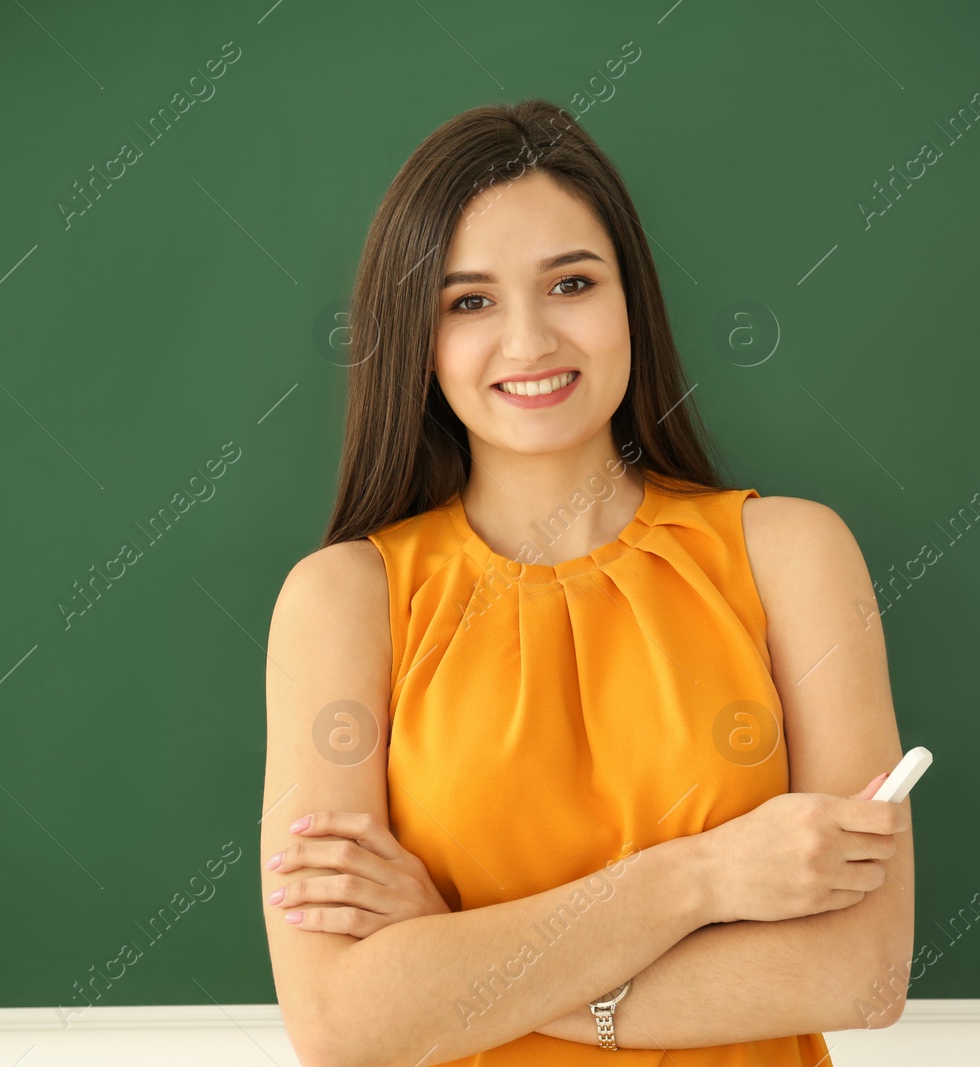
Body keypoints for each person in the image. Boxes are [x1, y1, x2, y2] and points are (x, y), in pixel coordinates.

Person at [259, 98, 913, 1066]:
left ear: (630, 300)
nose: (527, 342)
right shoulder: (341, 600)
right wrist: (701, 877)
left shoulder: (793, 555)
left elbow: (859, 974)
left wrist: (452, 947)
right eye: (468, 300)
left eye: (570, 282)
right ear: (418, 336)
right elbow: (341, 1024)